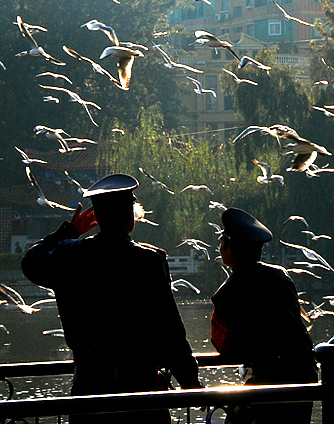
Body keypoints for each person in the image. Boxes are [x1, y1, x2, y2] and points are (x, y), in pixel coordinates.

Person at [21, 173, 202, 423]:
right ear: (130, 216)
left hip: (89, 387)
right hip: (141, 389)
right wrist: (189, 379)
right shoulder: (148, 261)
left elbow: (31, 263)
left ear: (96, 216)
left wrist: (69, 231)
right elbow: (169, 328)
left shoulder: (69, 255)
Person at [210, 207, 317, 424]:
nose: (220, 248)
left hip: (269, 381)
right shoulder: (281, 277)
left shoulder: (227, 293)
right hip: (304, 377)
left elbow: (222, 344)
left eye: (222, 243)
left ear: (230, 250)